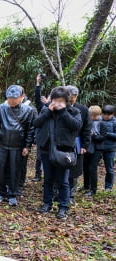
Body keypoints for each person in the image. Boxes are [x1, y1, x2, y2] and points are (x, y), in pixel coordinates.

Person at [34, 86, 82, 219]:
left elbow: (76, 126)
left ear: (66, 101)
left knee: (63, 181)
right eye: (55, 100)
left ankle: (63, 207)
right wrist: (48, 112)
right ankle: (47, 203)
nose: (57, 103)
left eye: (60, 101)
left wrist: (63, 112)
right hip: (46, 150)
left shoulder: (74, 111)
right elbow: (36, 123)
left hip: (63, 151)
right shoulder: (47, 109)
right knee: (48, 179)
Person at [0, 85, 35, 206]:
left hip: (18, 146)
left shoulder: (28, 111)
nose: (11, 100)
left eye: (14, 98)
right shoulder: (2, 108)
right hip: (3, 144)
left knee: (15, 170)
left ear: (22, 97)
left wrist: (27, 146)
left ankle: (12, 193)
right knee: (0, 169)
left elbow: (30, 129)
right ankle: (0, 192)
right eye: (9, 97)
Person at [66, 85, 91, 203]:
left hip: (77, 142)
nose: (72, 97)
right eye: (71, 94)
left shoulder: (83, 109)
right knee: (59, 166)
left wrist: (85, 145)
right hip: (62, 142)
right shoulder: (59, 106)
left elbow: (87, 128)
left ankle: (71, 194)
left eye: (75, 95)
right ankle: (57, 192)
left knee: (74, 169)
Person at [83, 106, 107, 196]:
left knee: (92, 168)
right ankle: (86, 185)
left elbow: (103, 137)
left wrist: (92, 135)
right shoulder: (88, 122)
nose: (91, 117)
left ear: (97, 115)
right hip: (88, 147)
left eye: (93, 115)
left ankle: (93, 189)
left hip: (97, 149)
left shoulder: (102, 124)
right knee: (85, 167)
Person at [101, 105, 116, 191]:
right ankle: (90, 186)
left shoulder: (115, 122)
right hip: (98, 147)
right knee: (91, 167)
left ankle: (108, 186)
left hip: (110, 148)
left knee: (109, 168)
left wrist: (107, 134)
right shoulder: (99, 119)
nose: (106, 116)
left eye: (108, 114)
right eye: (104, 114)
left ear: (112, 114)